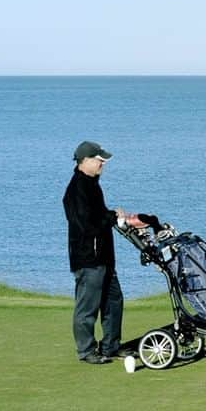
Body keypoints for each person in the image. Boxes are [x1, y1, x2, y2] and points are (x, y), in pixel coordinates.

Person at [62, 140, 126, 364]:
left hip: (104, 257)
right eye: (99, 161)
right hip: (88, 259)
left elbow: (96, 216)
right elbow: (86, 225)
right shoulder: (77, 189)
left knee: (114, 301)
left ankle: (111, 346)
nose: (102, 165)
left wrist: (110, 215)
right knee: (87, 306)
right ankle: (87, 351)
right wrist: (111, 217)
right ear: (85, 161)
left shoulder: (92, 184)